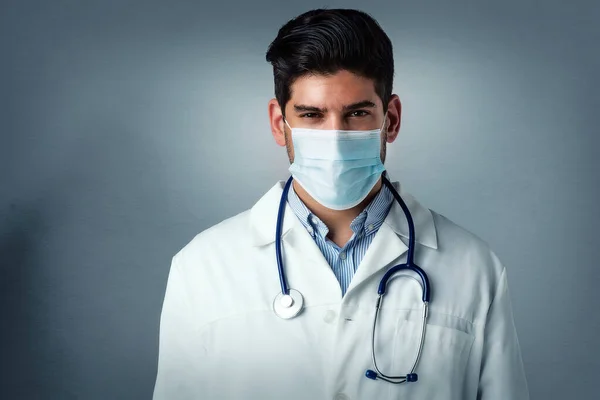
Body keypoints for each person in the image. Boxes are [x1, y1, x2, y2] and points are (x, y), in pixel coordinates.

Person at [152, 8, 529, 400]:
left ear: (392, 119)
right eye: (312, 115)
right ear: (280, 124)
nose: (334, 137)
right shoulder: (202, 267)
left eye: (357, 114)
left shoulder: (474, 268)